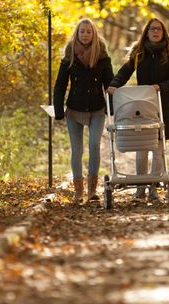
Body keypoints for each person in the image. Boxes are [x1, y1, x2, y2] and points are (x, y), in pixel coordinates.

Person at [107, 18, 169, 201]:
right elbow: (125, 72)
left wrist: (159, 86)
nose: (155, 32)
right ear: (146, 32)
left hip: (162, 105)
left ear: (163, 32)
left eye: (159, 29)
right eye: (152, 29)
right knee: (141, 145)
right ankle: (140, 188)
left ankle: (153, 187)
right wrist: (113, 86)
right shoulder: (139, 53)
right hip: (141, 106)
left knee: (157, 149)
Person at [54, 18, 114, 204]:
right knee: (77, 150)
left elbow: (110, 84)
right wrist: (58, 110)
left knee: (94, 146)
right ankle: (78, 192)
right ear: (77, 34)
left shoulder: (102, 56)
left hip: (97, 108)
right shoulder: (69, 56)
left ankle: (92, 191)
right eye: (82, 31)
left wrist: (112, 108)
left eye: (89, 31)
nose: (85, 34)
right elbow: (60, 85)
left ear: (94, 33)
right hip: (74, 109)